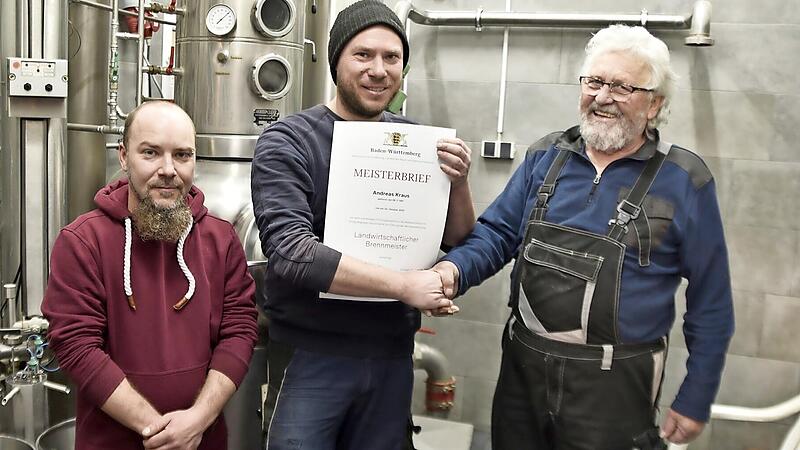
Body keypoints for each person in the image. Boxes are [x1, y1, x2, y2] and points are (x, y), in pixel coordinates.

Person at [433, 25, 734, 449]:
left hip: (614, 389)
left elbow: (711, 300)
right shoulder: (546, 156)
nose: (603, 97)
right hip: (523, 374)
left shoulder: (685, 180)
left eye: (622, 87)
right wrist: (450, 272)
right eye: (594, 82)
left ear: (654, 104)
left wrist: (697, 396)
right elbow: (497, 234)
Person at [250, 1, 476, 448]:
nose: (379, 70)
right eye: (363, 54)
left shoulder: (417, 142)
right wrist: (405, 286)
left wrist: (459, 181)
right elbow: (292, 254)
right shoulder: (289, 141)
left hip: (391, 353)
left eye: (391, 57)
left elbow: (458, 238)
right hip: (312, 355)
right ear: (337, 61)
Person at [42, 101, 259, 450]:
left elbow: (240, 328)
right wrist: (159, 432)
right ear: (124, 157)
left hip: (201, 440)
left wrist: (198, 420)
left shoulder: (220, 238)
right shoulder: (83, 241)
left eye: (182, 155)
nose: (168, 169)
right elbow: (76, 345)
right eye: (151, 153)